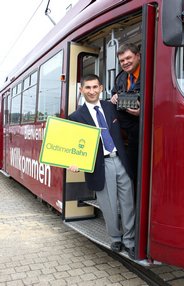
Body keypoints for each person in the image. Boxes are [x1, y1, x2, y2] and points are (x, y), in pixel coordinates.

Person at [68, 74, 135, 259]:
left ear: (101, 88)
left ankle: (130, 241)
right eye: (87, 88)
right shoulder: (76, 117)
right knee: (109, 206)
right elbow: (73, 146)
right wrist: (74, 162)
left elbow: (130, 124)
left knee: (128, 203)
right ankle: (115, 238)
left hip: (121, 160)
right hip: (100, 165)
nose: (91, 91)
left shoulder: (110, 107)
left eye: (95, 87)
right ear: (81, 90)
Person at [111, 43, 140, 192]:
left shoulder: (150, 72)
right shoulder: (120, 77)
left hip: (143, 131)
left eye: (128, 58)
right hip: (125, 134)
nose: (125, 62)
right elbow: (113, 95)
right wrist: (114, 98)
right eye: (122, 61)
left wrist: (142, 112)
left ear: (138, 56)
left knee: (136, 172)